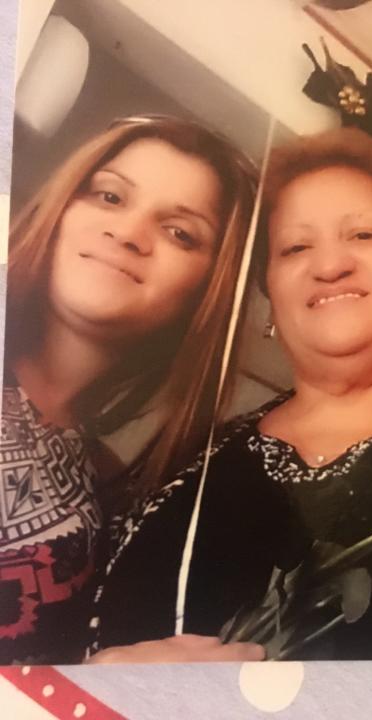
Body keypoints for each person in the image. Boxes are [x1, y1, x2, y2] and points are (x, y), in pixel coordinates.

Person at [91, 128, 372, 662]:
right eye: (296, 247)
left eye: (363, 235)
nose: (329, 265)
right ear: (271, 297)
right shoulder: (180, 461)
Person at [1, 116, 258, 664]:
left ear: (205, 293)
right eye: (110, 196)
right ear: (63, 205)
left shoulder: (115, 507)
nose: (127, 233)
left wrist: (105, 678)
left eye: (179, 232)